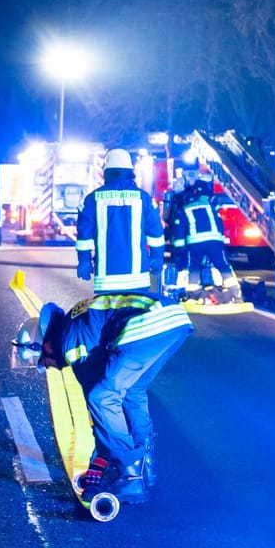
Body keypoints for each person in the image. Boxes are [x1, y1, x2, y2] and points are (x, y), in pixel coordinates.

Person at [74, 148, 191, 503]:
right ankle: (145, 461)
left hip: (107, 286)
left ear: (105, 173)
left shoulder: (94, 198)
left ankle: (128, 468)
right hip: (139, 283)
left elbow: (85, 234)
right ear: (129, 171)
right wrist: (155, 260)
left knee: (106, 384)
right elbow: (156, 234)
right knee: (135, 390)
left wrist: (83, 262)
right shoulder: (142, 198)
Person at [179, 178, 233, 295]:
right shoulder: (210, 205)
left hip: (196, 243)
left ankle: (193, 294)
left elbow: (179, 234)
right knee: (222, 264)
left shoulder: (185, 209)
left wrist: (180, 250)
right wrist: (221, 240)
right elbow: (220, 223)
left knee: (194, 266)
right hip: (215, 240)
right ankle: (235, 292)